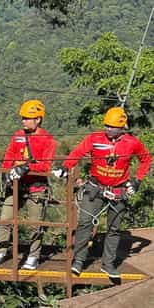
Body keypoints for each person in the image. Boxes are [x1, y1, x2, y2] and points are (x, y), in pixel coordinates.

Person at [54, 107, 152, 279]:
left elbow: (146, 159)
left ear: (122, 127)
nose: (108, 128)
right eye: (106, 125)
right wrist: (66, 167)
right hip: (95, 188)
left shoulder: (132, 142)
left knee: (114, 229)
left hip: (118, 191)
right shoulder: (95, 138)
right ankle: (79, 260)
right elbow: (78, 152)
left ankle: (108, 264)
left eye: (112, 126)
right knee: (85, 223)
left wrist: (137, 181)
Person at [0, 100, 56, 270]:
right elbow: (9, 156)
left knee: (35, 223)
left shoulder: (47, 140)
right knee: (5, 218)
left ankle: (33, 255)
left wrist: (26, 167)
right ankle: (1, 250)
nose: (23, 121)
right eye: (23, 118)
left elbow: (46, 165)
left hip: (36, 187)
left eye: (28, 118)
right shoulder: (18, 135)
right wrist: (6, 173)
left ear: (38, 120)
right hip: (16, 184)